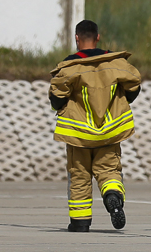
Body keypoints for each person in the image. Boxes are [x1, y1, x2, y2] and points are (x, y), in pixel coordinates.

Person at [49, 20, 140, 232]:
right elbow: (134, 86)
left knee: (79, 176)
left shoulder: (70, 66)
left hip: (78, 134)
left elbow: (56, 98)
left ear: (76, 38)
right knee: (109, 172)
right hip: (109, 132)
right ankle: (112, 196)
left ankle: (80, 222)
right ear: (98, 37)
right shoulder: (116, 64)